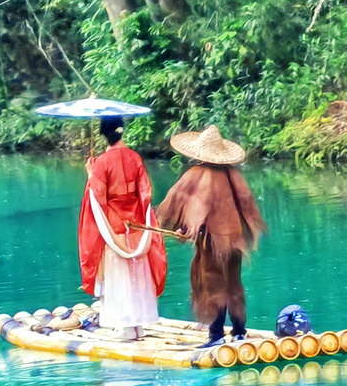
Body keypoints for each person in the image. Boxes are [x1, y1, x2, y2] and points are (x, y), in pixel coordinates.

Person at [157, 125, 266, 347]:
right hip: (234, 240)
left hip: (210, 241)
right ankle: (239, 331)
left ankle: (215, 335)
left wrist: (183, 230)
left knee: (213, 283)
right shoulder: (235, 176)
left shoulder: (195, 175)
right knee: (233, 283)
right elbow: (246, 208)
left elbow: (181, 208)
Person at [78, 116, 167, 340]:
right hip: (136, 224)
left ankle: (126, 326)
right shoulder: (135, 157)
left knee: (119, 274)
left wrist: (90, 174)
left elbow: (97, 196)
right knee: (137, 271)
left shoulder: (102, 163)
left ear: (103, 134)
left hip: (114, 226)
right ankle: (139, 324)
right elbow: (145, 192)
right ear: (122, 132)